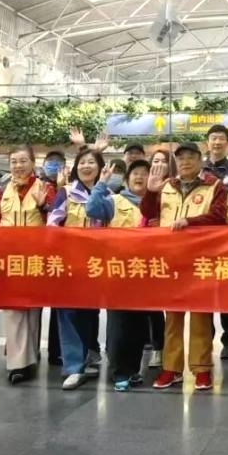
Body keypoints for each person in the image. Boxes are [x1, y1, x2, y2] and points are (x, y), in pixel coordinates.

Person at [142, 142, 227, 391]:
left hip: (201, 260)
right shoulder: (166, 185)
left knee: (201, 317)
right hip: (171, 260)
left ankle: (202, 369)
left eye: (191, 157)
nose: (185, 162)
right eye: (181, 158)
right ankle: (171, 368)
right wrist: (150, 192)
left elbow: (219, 216)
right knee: (172, 317)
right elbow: (148, 213)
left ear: (200, 160)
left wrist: (190, 221)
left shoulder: (214, 185)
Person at [0, 146, 56, 385]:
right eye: (14, 161)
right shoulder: (2, 189)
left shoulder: (46, 188)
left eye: (23, 161)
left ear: (33, 163)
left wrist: (44, 206)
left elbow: (56, 220)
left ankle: (30, 356)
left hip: (35, 258)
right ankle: (17, 364)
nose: (18, 166)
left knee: (32, 310)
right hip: (9, 258)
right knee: (13, 310)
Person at [86, 158, 150, 392]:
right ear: (126, 179)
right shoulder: (115, 201)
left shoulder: (155, 204)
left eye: (144, 173)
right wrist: (101, 183)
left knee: (139, 326)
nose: (139, 177)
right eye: (135, 173)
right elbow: (92, 208)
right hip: (118, 272)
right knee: (119, 325)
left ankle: (133, 370)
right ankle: (118, 372)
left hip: (145, 273)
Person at [47, 147, 108, 390]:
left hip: (95, 265)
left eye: (91, 162)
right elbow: (53, 222)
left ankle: (87, 356)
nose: (86, 166)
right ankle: (73, 367)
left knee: (88, 313)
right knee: (67, 313)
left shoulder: (107, 194)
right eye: (82, 162)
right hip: (69, 263)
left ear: (100, 168)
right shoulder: (66, 192)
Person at [202, 124, 228, 360]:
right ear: (207, 142)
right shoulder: (199, 168)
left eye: (221, 139)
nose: (217, 142)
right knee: (204, 288)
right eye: (213, 138)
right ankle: (206, 337)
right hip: (203, 239)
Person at [141, 148, 174, 370]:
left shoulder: (176, 184)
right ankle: (158, 348)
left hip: (173, 252)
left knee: (173, 306)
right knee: (153, 306)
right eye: (155, 161)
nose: (159, 165)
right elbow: (146, 212)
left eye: (163, 161)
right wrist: (151, 192)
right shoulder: (148, 185)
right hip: (150, 252)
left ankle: (175, 352)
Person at [40, 149, 68, 367]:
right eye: (50, 162)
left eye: (58, 162)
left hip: (63, 255)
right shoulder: (37, 185)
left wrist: (61, 188)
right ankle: (26, 353)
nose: (54, 165)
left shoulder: (69, 187)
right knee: (34, 305)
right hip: (37, 254)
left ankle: (57, 352)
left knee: (61, 303)